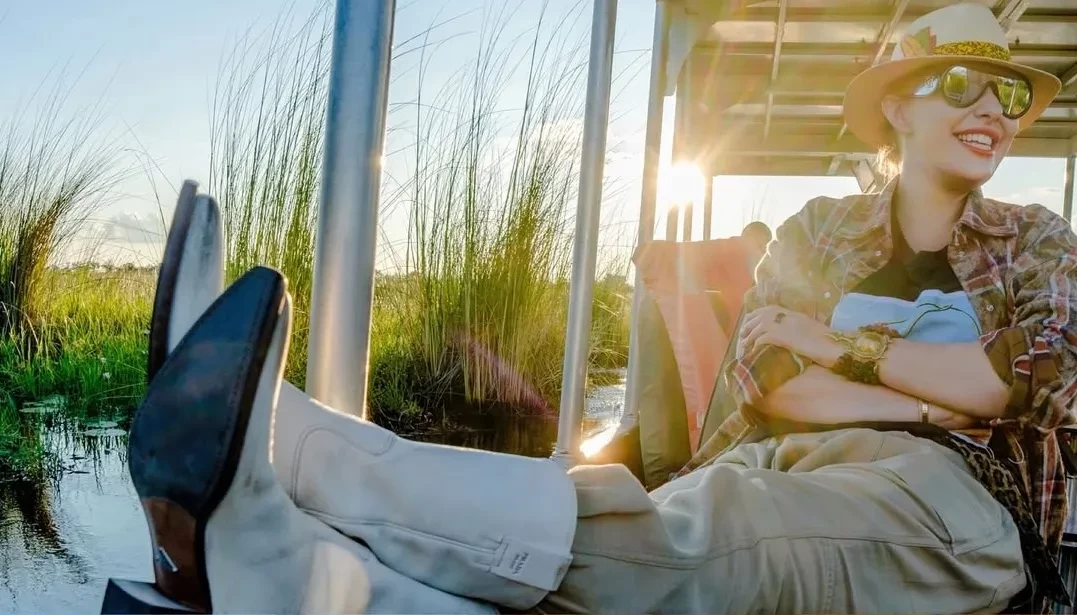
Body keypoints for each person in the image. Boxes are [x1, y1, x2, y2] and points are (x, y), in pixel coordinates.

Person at [123, 4, 1077, 614]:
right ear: (896, 107)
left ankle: (305, 454)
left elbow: (1033, 378)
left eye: (1008, 91)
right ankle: (294, 565)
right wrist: (936, 392)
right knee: (665, 513)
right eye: (961, 82)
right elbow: (767, 377)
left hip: (961, 494)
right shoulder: (820, 229)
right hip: (782, 454)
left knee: (735, 537)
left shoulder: (1036, 242)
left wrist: (842, 352)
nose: (992, 107)